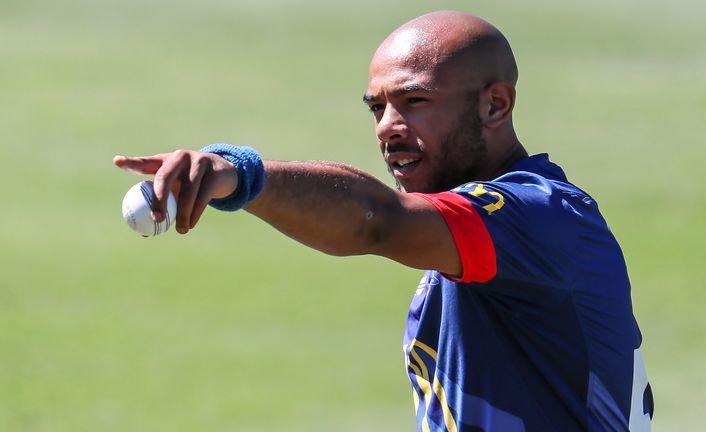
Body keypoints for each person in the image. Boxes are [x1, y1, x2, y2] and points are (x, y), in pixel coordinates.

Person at [114, 10, 653, 432]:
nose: (388, 127)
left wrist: (240, 175)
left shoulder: (540, 217)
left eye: (415, 100)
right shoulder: (479, 235)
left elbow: (376, 220)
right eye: (378, 108)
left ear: (495, 105)